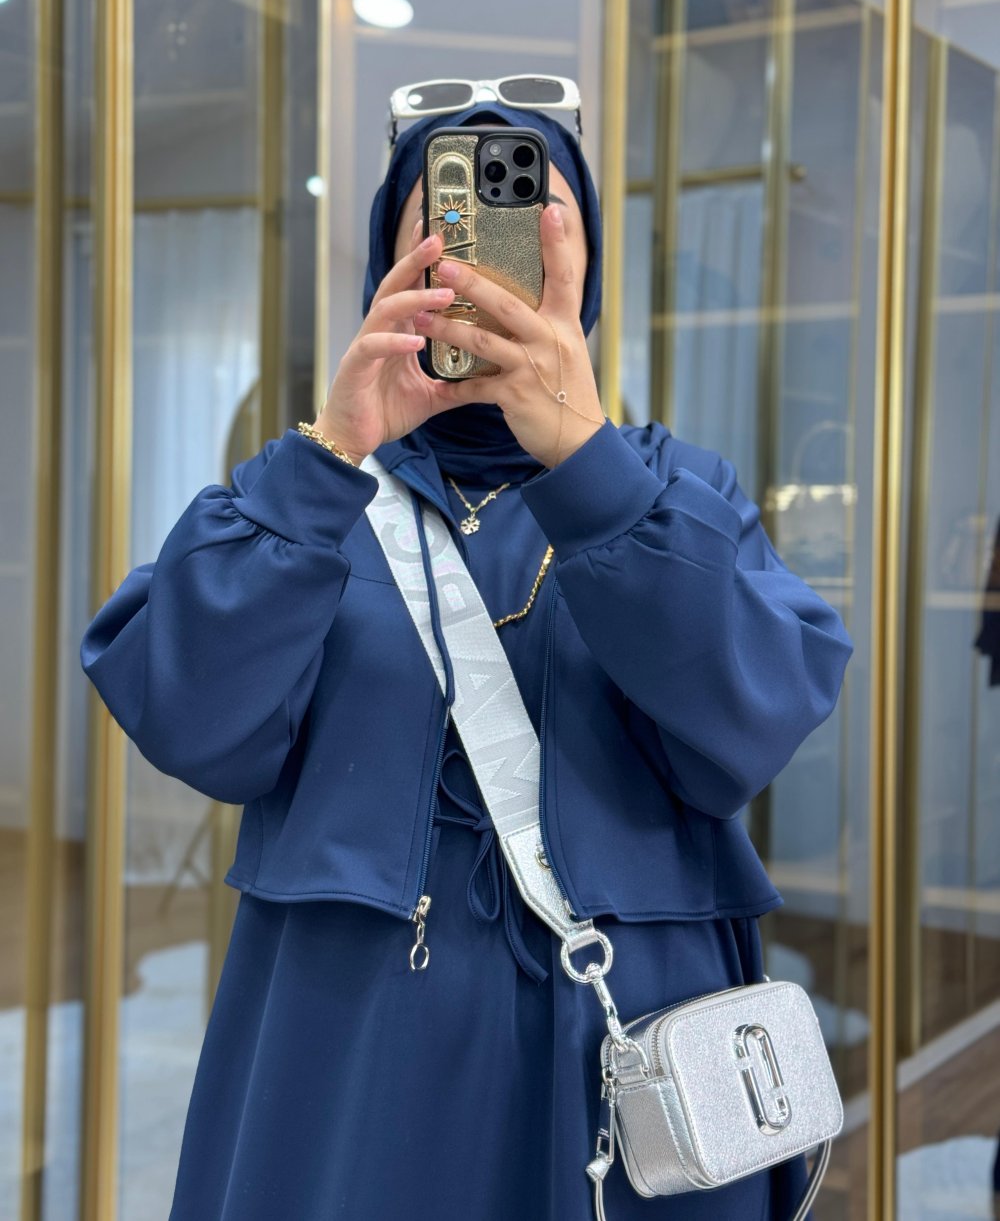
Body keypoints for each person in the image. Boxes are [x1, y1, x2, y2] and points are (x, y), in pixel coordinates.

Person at [80, 97, 854, 1221]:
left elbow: (750, 725)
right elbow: (193, 720)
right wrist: (336, 448)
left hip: (629, 1056)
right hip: (351, 1053)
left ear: (582, 263)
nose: (490, 256)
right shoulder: (310, 489)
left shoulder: (669, 490)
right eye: (451, 219)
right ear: (392, 260)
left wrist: (585, 460)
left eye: (535, 221)